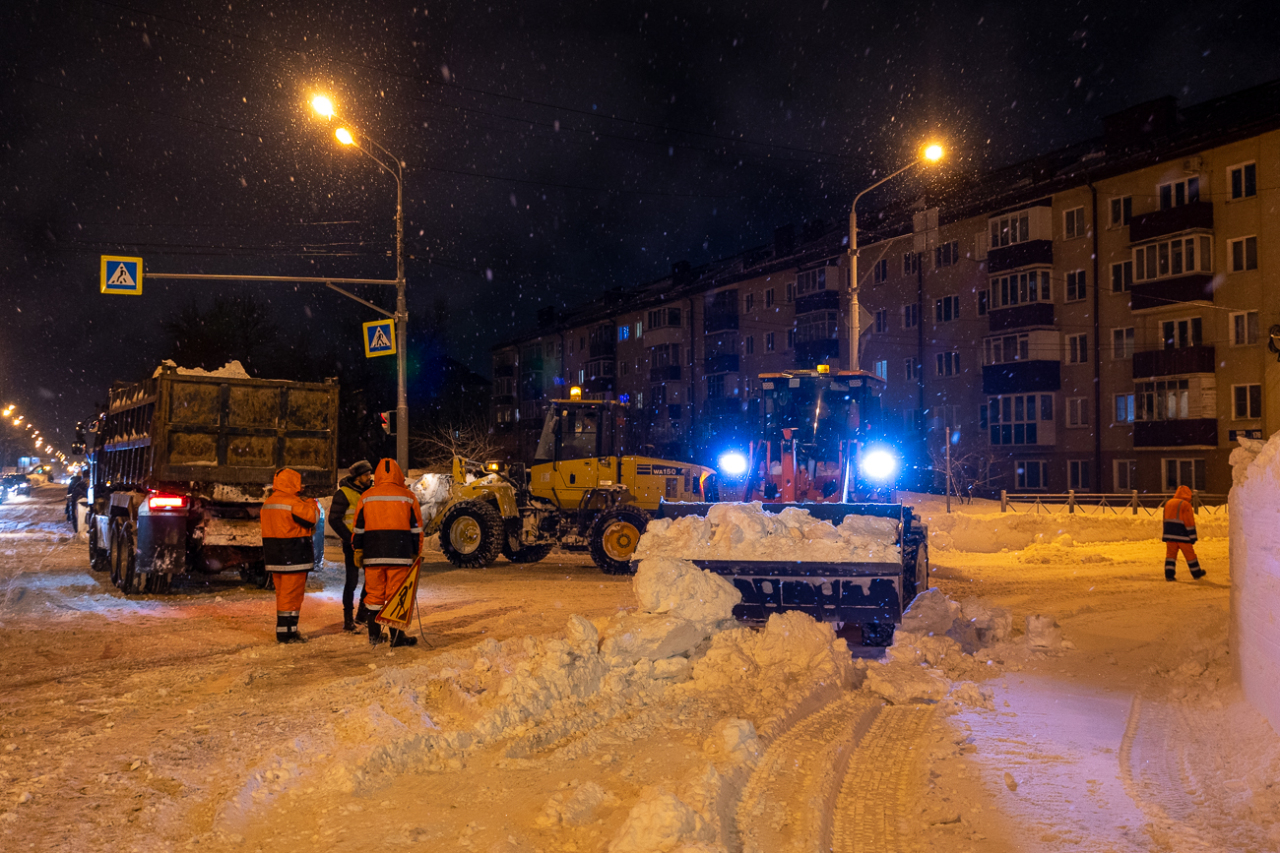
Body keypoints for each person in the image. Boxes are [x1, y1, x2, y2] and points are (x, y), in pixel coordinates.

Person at [351, 458, 422, 648]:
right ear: (398, 474)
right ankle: (397, 637)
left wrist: (358, 549)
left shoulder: (366, 497)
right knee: (395, 596)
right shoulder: (408, 497)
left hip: (372, 555)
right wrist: (416, 552)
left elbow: (358, 527)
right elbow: (416, 529)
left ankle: (374, 636)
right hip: (400, 555)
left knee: (373, 596)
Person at [261, 467, 319, 642]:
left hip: (275, 555)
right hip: (294, 555)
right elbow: (313, 519)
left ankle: (286, 630)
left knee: (283, 595)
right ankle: (287, 634)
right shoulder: (293, 503)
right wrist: (311, 502)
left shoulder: (269, 502)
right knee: (292, 595)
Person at [329, 460, 374, 632]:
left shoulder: (369, 492)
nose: (369, 477)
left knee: (371, 581)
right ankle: (348, 620)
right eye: (366, 475)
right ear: (357, 477)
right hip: (352, 544)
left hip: (368, 542)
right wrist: (350, 538)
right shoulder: (344, 494)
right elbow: (334, 519)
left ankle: (361, 615)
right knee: (352, 581)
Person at [1162, 484, 1205, 581]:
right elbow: (1189, 522)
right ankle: (1196, 573)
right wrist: (1192, 537)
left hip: (1169, 534)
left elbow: (1165, 519)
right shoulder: (1185, 504)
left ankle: (1169, 575)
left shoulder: (1168, 503)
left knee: (1170, 555)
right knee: (1190, 555)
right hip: (1182, 534)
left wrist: (1166, 533)